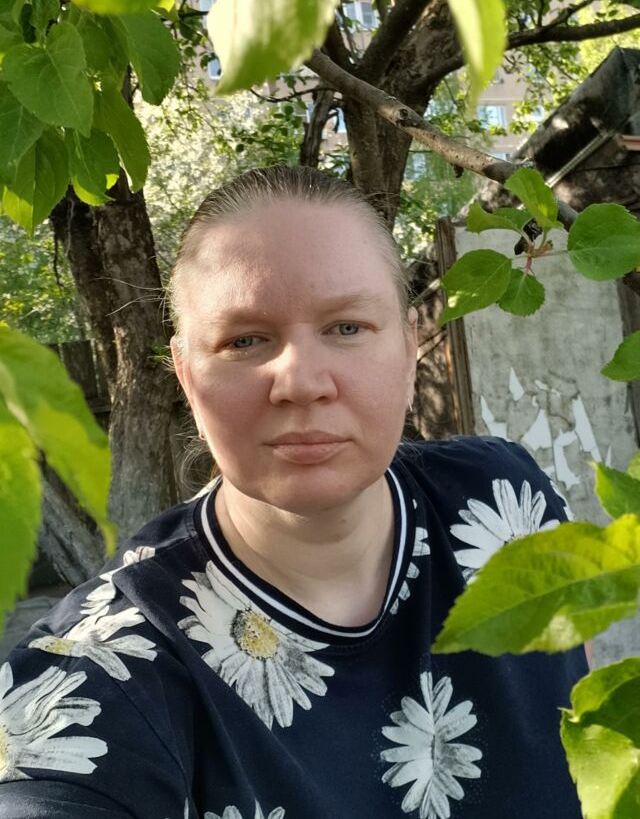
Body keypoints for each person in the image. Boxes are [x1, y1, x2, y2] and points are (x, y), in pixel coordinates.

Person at [0, 166, 586, 819]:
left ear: (410, 349)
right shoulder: (106, 672)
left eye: (346, 327)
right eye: (245, 340)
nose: (302, 382)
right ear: (187, 377)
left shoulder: (508, 499)